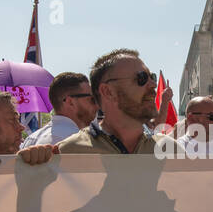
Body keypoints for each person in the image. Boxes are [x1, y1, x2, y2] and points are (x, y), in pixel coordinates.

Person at [55, 50, 186, 156]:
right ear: (108, 91)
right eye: (141, 78)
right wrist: (37, 161)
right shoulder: (69, 152)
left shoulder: (172, 151)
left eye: (152, 77)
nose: (153, 85)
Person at [22, 72, 97, 147]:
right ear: (70, 102)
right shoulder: (80, 141)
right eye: (92, 99)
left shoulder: (30, 139)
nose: (97, 105)